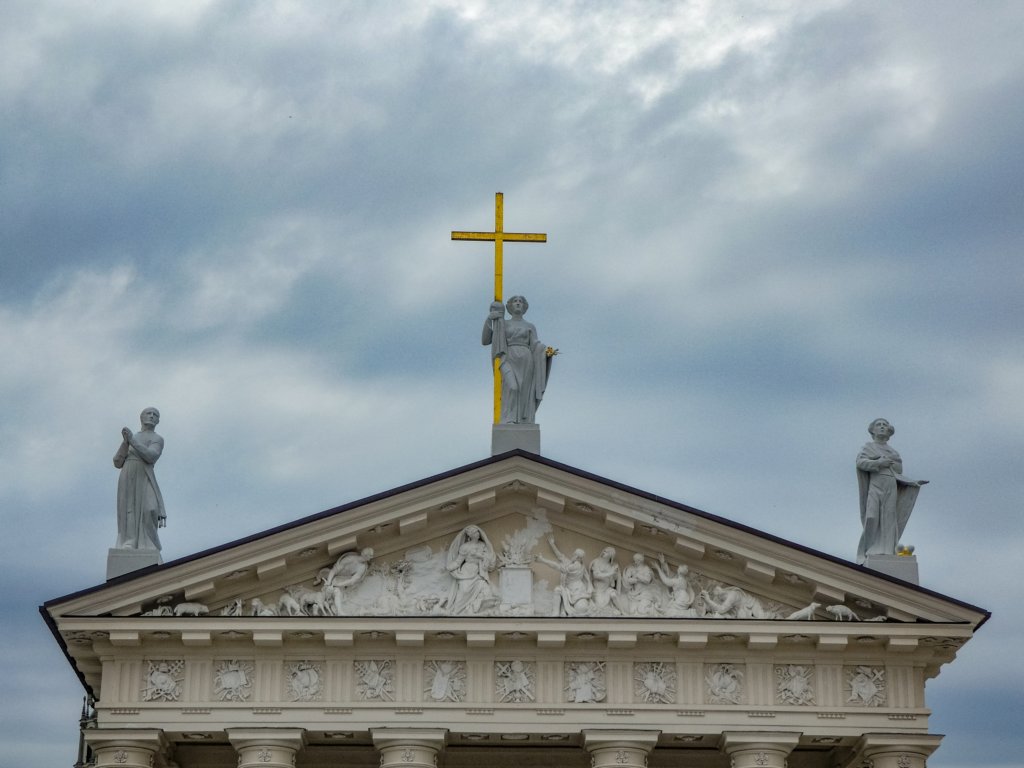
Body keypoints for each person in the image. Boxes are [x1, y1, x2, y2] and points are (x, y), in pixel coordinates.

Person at [856, 418, 929, 563]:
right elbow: (860, 463)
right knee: (872, 516)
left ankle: (887, 549)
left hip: (890, 483)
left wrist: (912, 482)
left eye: (885, 425)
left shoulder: (893, 452)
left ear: (889, 431)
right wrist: (878, 462)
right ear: (873, 430)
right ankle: (868, 549)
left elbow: (898, 469)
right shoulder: (868, 447)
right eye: (879, 425)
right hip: (876, 483)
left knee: (889, 517)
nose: (882, 427)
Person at [482, 296, 554, 424]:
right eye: (515, 301)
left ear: (525, 306)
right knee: (512, 387)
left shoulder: (530, 326)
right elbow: (486, 340)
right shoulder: (502, 323)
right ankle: (508, 418)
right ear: (509, 306)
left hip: (526, 360)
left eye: (520, 301)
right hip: (507, 357)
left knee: (524, 391)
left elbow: (535, 345)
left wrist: (546, 352)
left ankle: (522, 420)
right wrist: (489, 319)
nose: (518, 303)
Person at [113, 407, 166, 550]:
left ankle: (149, 543)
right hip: (128, 473)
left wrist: (132, 441)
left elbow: (151, 456)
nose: (152, 416)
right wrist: (125, 442)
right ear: (141, 417)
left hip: (145, 475)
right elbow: (117, 462)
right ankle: (129, 541)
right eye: (149, 413)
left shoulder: (157, 439)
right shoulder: (133, 437)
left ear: (158, 421)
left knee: (150, 508)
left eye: (155, 415)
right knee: (129, 508)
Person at [441, 525, 497, 615]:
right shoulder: (465, 547)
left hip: (477, 573)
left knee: (485, 588)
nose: (478, 534)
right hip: (466, 572)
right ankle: (456, 611)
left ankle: (474, 609)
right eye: (475, 532)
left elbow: (488, 559)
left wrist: (479, 556)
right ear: (470, 535)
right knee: (464, 591)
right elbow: (458, 562)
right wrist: (448, 567)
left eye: (478, 532)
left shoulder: (482, 545)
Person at [535, 536, 592, 616]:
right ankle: (556, 613)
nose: (572, 554)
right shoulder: (571, 563)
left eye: (574, 554)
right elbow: (560, 556)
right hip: (571, 589)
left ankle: (556, 613)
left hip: (576, 592)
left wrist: (543, 560)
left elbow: (557, 566)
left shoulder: (575, 566)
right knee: (558, 590)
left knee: (558, 590)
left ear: (576, 557)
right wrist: (552, 544)